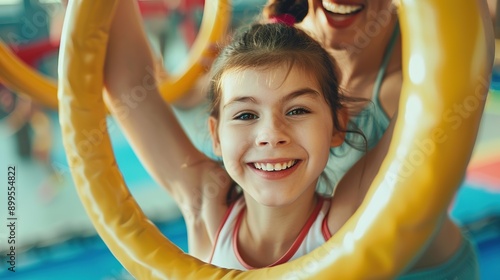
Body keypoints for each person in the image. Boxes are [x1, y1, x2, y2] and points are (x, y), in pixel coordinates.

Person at [102, 1, 484, 278]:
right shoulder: (207, 207)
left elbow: (450, 90)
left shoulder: (351, 219)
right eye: (246, 115)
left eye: (297, 110)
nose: (271, 135)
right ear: (216, 135)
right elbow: (129, 87)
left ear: (338, 126)